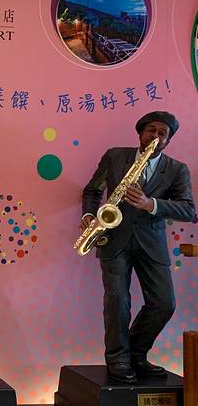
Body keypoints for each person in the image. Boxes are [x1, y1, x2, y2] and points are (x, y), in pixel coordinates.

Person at [81, 111, 195, 384]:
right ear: (141, 132)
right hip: (113, 238)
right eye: (151, 130)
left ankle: (136, 353)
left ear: (168, 141)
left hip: (151, 243)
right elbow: (93, 189)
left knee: (164, 303)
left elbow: (189, 210)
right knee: (117, 301)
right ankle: (118, 359)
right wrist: (89, 215)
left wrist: (150, 204)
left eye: (162, 134)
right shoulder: (114, 156)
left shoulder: (177, 169)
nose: (155, 136)